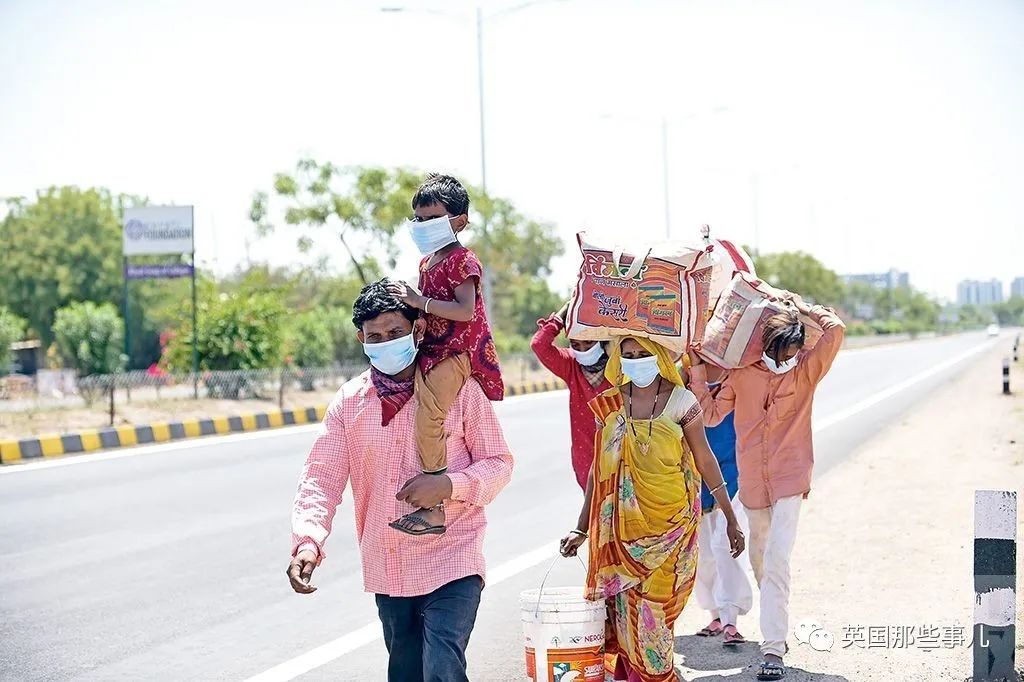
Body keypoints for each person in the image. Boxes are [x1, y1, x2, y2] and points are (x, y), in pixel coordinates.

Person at [287, 279, 513, 682]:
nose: (385, 342)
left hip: (452, 558)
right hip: (389, 567)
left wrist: (449, 486)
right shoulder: (350, 402)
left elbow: (498, 463)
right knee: (406, 672)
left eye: (395, 333)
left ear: (419, 330)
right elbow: (321, 477)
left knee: (443, 665)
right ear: (361, 339)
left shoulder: (457, 390)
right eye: (375, 337)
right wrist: (308, 542)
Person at [560, 335, 745, 682]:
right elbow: (598, 471)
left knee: (653, 619)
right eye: (628, 354)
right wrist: (581, 527)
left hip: (671, 529)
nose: (635, 359)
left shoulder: (682, 401)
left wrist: (730, 518)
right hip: (621, 536)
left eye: (643, 353)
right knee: (627, 618)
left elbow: (705, 460)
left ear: (660, 356)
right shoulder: (611, 404)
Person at [688, 293, 845, 681]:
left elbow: (835, 329)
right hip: (753, 484)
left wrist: (799, 305)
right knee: (761, 560)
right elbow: (709, 415)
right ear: (766, 347)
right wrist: (694, 369)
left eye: (793, 351)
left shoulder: (806, 371)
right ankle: (777, 615)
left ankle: (772, 648)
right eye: (781, 351)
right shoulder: (743, 375)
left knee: (776, 559)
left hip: (791, 478)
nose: (786, 358)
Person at [387, 173, 503, 536]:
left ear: (459, 221)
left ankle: (435, 504)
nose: (422, 226)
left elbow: (464, 310)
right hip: (432, 346)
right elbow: (428, 310)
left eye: (431, 219)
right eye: (418, 219)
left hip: (456, 350)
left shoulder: (463, 261)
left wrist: (420, 302)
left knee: (429, 415)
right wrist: (418, 317)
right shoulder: (426, 263)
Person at [693, 362, 753, 647]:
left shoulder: (740, 374)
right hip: (698, 474)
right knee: (703, 553)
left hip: (736, 473)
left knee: (723, 545)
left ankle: (731, 618)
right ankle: (715, 614)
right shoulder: (684, 377)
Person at [530, 301, 611, 490]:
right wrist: (562, 316)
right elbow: (539, 345)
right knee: (592, 517)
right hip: (586, 461)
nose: (582, 350)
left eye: (589, 343)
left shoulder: (622, 366)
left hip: (622, 459)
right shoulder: (570, 365)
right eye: (576, 344)